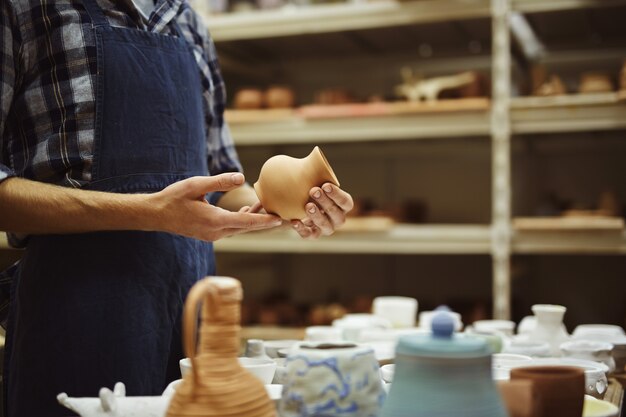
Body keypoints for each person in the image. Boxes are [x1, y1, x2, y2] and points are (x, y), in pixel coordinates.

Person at [0, 0, 354, 415]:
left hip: (189, 313)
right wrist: (148, 211)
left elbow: (223, 181)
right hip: (80, 316)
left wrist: (292, 209)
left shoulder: (189, 23)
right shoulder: (26, 8)